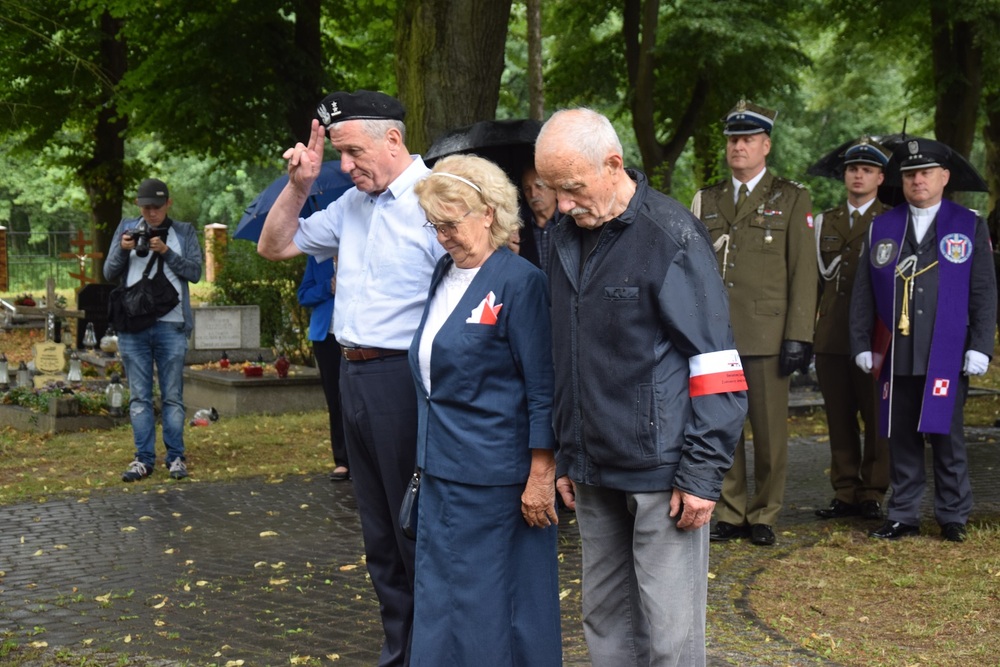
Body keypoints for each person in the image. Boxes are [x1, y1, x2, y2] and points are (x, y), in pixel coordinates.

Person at [536, 108, 748, 666]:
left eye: (572, 188)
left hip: (664, 474)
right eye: (552, 190)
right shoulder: (560, 236)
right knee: (604, 622)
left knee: (669, 634)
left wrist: (702, 473)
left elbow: (717, 364)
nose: (561, 205)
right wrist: (565, 454)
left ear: (613, 165)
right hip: (591, 468)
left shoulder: (670, 235)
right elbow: (563, 355)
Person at [257, 90, 446, 666]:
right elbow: (274, 246)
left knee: (415, 528)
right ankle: (401, 649)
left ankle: (436, 651)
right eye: (337, 155)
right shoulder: (353, 206)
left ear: (394, 140)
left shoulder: (439, 197)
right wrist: (298, 185)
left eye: (353, 152)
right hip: (353, 377)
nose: (346, 167)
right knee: (379, 537)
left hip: (406, 380)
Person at [408, 154, 561, 666]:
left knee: (494, 608)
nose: (441, 235)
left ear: (488, 214)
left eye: (450, 223)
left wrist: (542, 472)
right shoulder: (442, 274)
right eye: (434, 225)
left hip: (498, 483)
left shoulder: (521, 281)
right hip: (439, 472)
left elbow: (544, 386)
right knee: (441, 604)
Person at [850, 138, 997, 543]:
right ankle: (903, 514)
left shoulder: (968, 224)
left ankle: (953, 514)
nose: (918, 180)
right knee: (901, 437)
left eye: (926, 172)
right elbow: (863, 290)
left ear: (944, 177)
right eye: (911, 174)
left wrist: (981, 346)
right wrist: (861, 341)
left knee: (947, 437)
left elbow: (983, 292)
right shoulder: (883, 226)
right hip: (896, 351)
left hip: (945, 351)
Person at [691, 100, 817, 546]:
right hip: (717, 336)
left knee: (769, 433)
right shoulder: (707, 199)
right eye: (731, 139)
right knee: (723, 428)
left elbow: (804, 271)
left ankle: (765, 512)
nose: (737, 146)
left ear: (766, 144)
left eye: (746, 139)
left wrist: (799, 334)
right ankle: (730, 509)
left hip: (768, 334)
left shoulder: (791, 197)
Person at [104, 178, 203, 483]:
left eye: (157, 207)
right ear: (138, 206)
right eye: (146, 207)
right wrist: (123, 249)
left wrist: (165, 252)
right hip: (134, 327)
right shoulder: (128, 228)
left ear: (168, 204)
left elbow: (195, 272)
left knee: (172, 397)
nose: (151, 213)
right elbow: (108, 272)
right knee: (139, 398)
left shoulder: (183, 232)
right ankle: (143, 460)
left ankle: (175, 458)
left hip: (171, 325)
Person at [813, 138, 891, 521]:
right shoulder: (825, 222)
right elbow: (814, 282)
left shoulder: (892, 220)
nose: (858, 175)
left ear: (880, 177)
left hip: (876, 336)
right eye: (852, 169)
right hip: (831, 335)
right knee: (839, 416)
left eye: (867, 170)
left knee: (877, 417)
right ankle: (845, 490)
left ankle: (873, 490)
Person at [296, 255, 350, 481]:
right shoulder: (317, 258)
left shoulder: (362, 251)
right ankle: (342, 460)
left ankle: (364, 460)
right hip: (326, 338)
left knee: (358, 399)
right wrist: (328, 287)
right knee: (335, 399)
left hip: (357, 337)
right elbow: (303, 295)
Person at [517, 164, 557, 272]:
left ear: (554, 188)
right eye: (527, 189)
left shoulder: (571, 223)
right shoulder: (518, 230)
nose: (533, 194)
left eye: (539, 186)